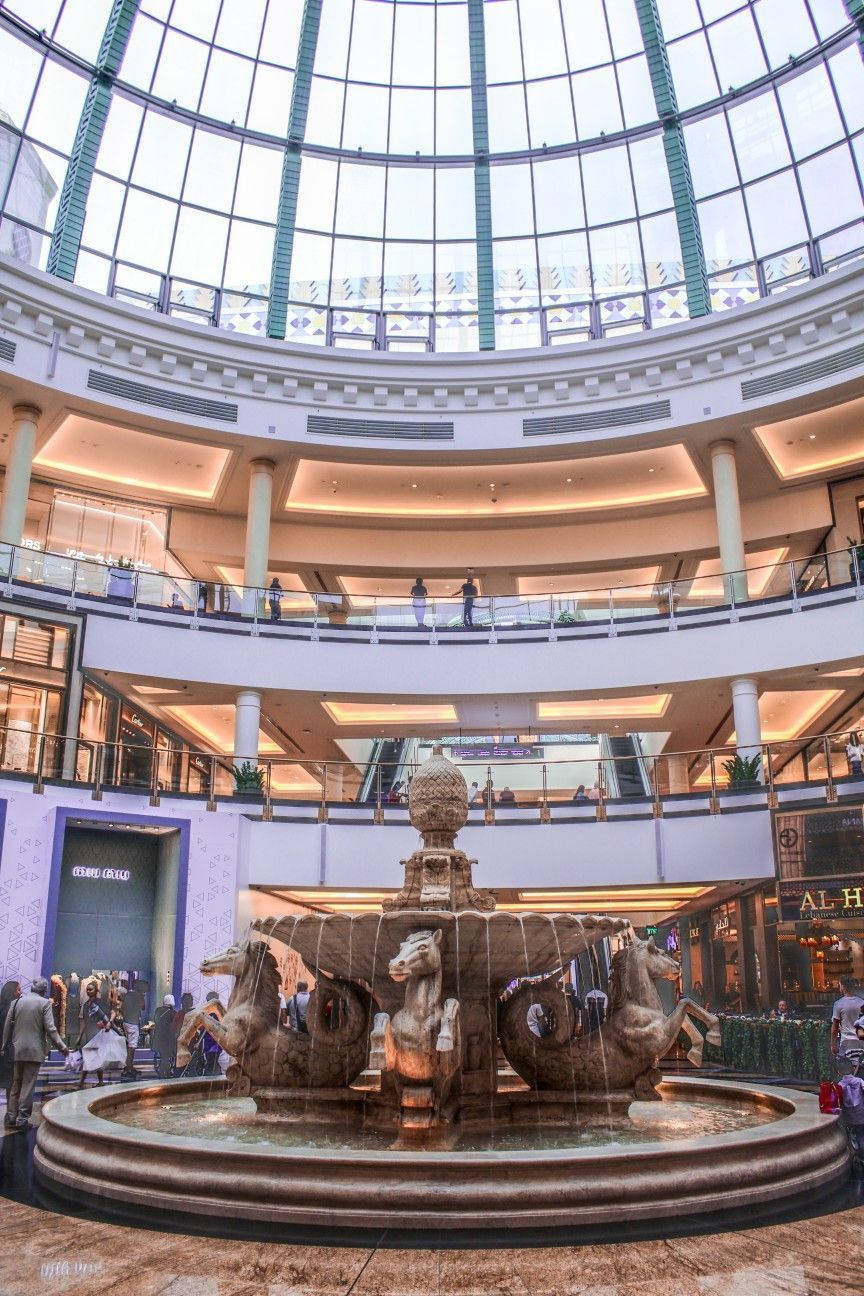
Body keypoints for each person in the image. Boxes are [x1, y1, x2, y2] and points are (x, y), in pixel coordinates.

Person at [2, 977, 69, 1130]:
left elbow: (7, 1027)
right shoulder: (44, 1003)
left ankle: (11, 1117)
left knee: (15, 1085)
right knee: (28, 1085)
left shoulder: (17, 1002)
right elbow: (51, 1029)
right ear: (44, 990)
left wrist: (4, 1046)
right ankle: (22, 1120)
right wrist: (62, 1048)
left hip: (16, 1049)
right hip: (34, 1051)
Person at [76, 979, 112, 1089]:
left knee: (91, 1058)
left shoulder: (100, 1004)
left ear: (96, 991)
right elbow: (83, 1022)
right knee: (91, 1058)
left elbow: (107, 1018)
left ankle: (82, 1082)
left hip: (97, 1035)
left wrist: (104, 1024)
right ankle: (98, 1081)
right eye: (87, 989)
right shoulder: (85, 1005)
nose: (88, 991)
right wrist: (80, 1036)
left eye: (90, 989)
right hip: (89, 1035)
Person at [832, 978, 864, 1073]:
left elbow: (834, 1028)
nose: (839, 988)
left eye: (840, 985)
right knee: (860, 1071)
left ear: (844, 987)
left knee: (846, 1072)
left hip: (846, 1043)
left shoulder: (838, 1004)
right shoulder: (862, 1002)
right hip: (861, 1042)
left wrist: (832, 1044)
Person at [0, 981, 21, 1113]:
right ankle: (11, 1114)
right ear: (13, 991)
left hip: (4, 1049)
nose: (21, 992)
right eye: (18, 990)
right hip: (9, 1050)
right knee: (12, 1084)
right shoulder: (13, 1008)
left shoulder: (2, 1006)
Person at [152, 995, 177, 1079]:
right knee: (166, 1057)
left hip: (158, 1037)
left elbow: (155, 1020)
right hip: (167, 1038)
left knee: (163, 1056)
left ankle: (164, 1072)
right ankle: (164, 1073)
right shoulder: (173, 1013)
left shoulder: (157, 1010)